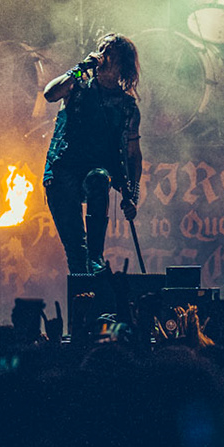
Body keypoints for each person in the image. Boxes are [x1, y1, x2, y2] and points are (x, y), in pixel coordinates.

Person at [41, 33, 143, 275]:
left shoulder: (127, 107)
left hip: (94, 172)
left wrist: (133, 195)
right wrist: (80, 68)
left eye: (111, 54)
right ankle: (84, 305)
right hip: (62, 170)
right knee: (76, 254)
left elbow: (133, 154)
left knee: (98, 177)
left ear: (122, 66)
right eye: (102, 50)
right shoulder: (77, 86)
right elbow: (50, 94)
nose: (103, 57)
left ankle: (97, 255)